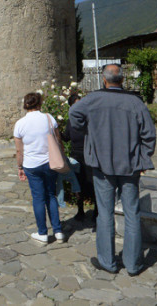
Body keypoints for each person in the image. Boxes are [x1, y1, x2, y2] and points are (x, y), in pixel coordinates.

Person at [69, 64, 156, 275]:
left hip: (102, 165)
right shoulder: (135, 102)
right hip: (130, 165)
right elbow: (149, 135)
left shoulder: (92, 100)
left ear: (104, 80)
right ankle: (134, 264)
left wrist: (89, 130)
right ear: (122, 80)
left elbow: (73, 114)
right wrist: (143, 157)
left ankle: (107, 261)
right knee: (132, 213)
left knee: (105, 214)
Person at [14, 92, 65, 244]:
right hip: (50, 162)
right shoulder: (49, 118)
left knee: (38, 198)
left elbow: (19, 150)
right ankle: (58, 231)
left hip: (31, 165)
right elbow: (58, 138)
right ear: (39, 103)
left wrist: (20, 167)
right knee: (51, 195)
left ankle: (42, 232)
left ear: (25, 105)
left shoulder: (20, 124)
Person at [62, 92, 95, 222]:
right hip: (76, 156)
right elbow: (66, 137)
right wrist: (55, 132)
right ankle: (80, 210)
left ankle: (96, 212)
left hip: (89, 155)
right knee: (78, 184)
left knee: (92, 184)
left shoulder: (89, 120)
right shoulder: (71, 122)